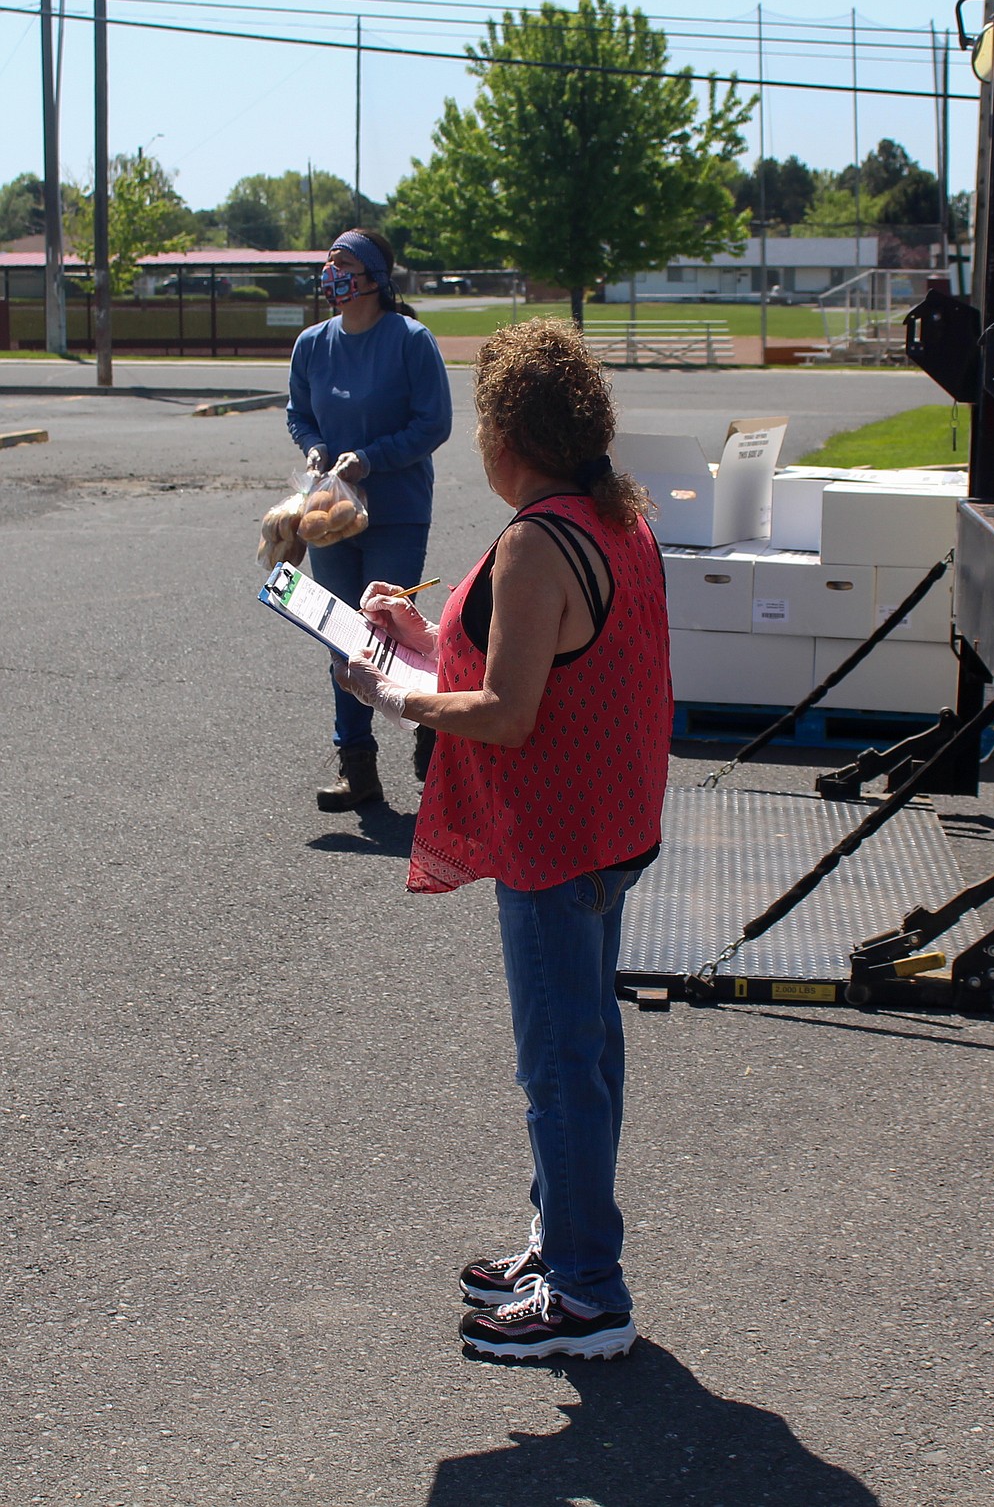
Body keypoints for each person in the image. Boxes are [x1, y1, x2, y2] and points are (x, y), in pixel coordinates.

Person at [334, 319, 672, 1361]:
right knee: (587, 1052)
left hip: (555, 836)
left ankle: (586, 1292)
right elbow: (528, 666)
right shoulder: (608, 515)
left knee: (560, 1063)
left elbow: (510, 712)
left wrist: (396, 696)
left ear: (507, 437)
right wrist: (425, 643)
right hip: (609, 825)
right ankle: (564, 1240)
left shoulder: (535, 539)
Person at [286, 227, 452, 810]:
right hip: (331, 518)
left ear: (376, 278)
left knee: (391, 631)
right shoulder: (311, 345)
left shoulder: (411, 340)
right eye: (328, 266)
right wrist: (313, 448)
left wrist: (372, 459)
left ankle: (432, 733)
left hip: (398, 511)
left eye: (345, 266)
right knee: (340, 637)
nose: (333, 276)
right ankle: (356, 764)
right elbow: (299, 414)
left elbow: (434, 423)